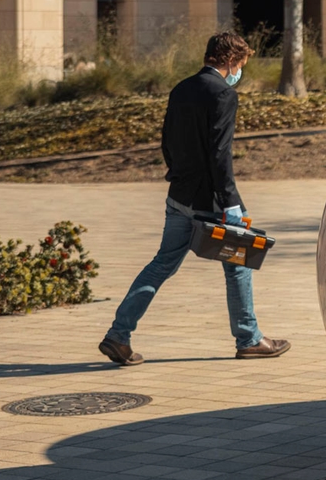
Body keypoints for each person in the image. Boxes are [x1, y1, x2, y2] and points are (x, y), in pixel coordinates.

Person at [98, 32, 292, 364]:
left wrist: (179, 177)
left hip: (179, 196)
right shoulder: (223, 94)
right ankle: (249, 339)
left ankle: (118, 335)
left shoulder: (181, 89)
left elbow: (167, 143)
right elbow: (220, 154)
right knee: (239, 264)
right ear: (231, 61)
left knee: (161, 265)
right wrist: (229, 203)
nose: (239, 73)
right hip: (213, 202)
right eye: (241, 65)